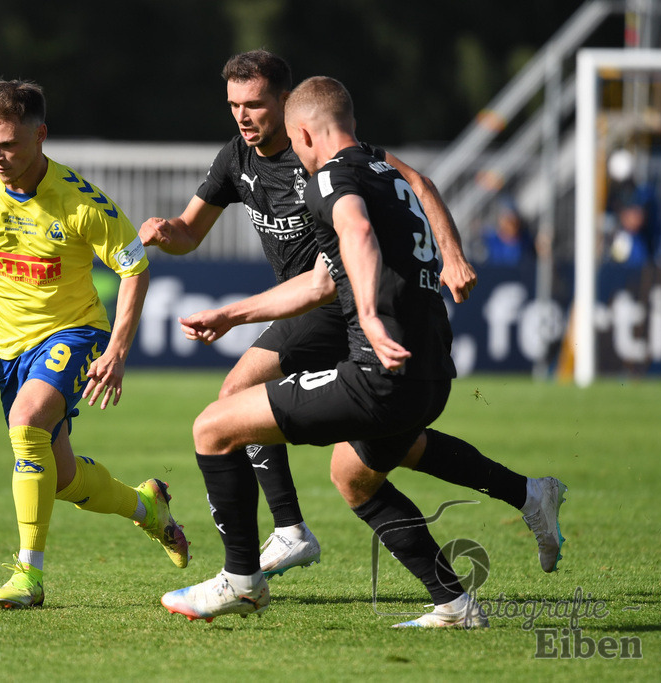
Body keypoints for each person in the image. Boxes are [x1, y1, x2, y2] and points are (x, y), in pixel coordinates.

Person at [161, 76, 566, 627]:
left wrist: (370, 316)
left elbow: (354, 235)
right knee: (354, 477)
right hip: (431, 372)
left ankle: (244, 578)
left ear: (303, 132)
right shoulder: (384, 173)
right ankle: (456, 602)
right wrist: (231, 315)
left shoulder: (331, 177)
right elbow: (321, 281)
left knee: (214, 426)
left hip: (379, 370)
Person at [141, 50, 478, 578]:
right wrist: (167, 233)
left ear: (286, 101)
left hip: (330, 301)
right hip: (309, 304)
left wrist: (452, 254)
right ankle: (525, 493)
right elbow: (190, 231)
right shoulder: (235, 158)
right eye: (234, 105)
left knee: (236, 397)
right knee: (385, 447)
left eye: (254, 104)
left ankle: (288, 532)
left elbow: (418, 183)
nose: (242, 116)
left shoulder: (325, 154)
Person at [0, 79, 189, 610]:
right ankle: (147, 507)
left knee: (27, 420)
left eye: (9, 144)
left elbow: (134, 268)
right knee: (59, 478)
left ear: (40, 136)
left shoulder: (81, 201)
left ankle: (28, 576)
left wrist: (117, 350)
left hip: (75, 332)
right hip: (10, 350)